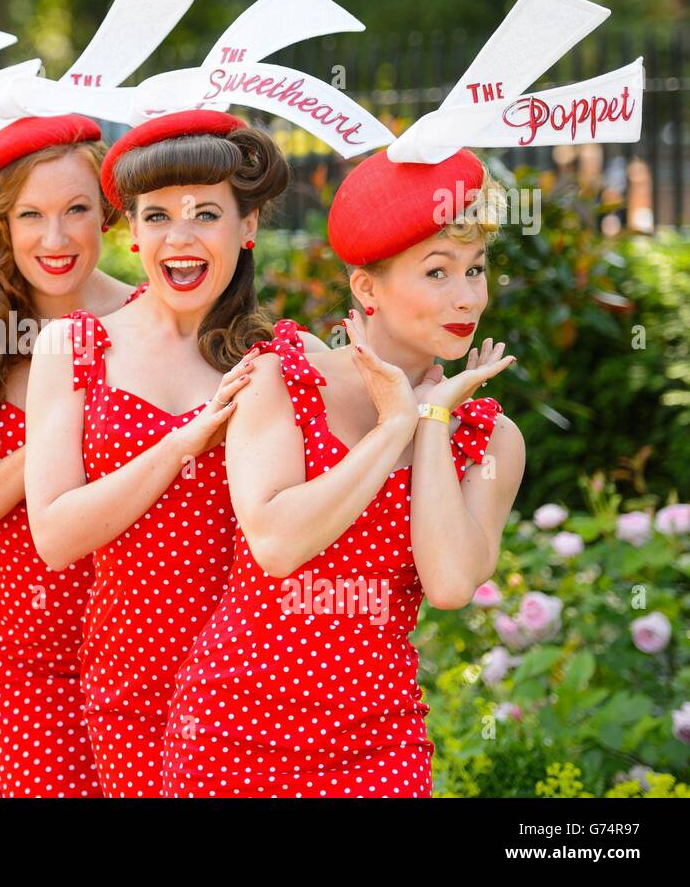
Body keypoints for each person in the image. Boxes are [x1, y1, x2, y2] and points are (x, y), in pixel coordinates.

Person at [161, 147, 525, 797]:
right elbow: (275, 542)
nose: (467, 296)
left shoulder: (489, 437)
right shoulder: (285, 378)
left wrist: (431, 423)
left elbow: (447, 582)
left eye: (476, 269)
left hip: (375, 744)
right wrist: (391, 430)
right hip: (232, 734)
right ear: (366, 288)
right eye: (437, 272)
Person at [23, 109, 317, 797]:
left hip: (255, 687)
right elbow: (56, 535)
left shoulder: (281, 362)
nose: (179, 240)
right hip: (128, 683)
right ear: (131, 231)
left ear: (247, 227)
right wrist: (181, 443)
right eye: (157, 216)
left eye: (205, 215)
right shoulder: (72, 347)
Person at [0, 115, 144, 797]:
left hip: (143, 641)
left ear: (108, 214)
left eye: (77, 210)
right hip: (24, 653)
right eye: (32, 215)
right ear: (2, 226)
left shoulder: (149, 319)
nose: (57, 237)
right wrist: (50, 440)